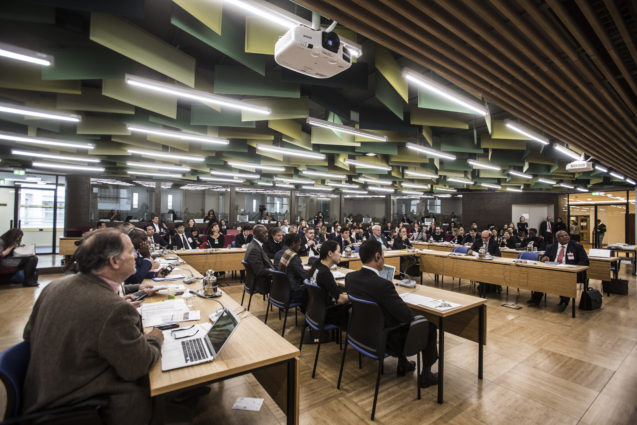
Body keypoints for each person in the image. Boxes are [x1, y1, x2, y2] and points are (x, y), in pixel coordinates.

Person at [22, 228, 163, 425]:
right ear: (114, 261)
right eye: (131, 252)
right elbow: (138, 365)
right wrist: (156, 336)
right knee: (166, 392)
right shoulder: (114, 309)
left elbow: (28, 335)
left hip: (40, 390)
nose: (135, 256)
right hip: (84, 405)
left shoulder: (53, 287)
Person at [345, 240, 438, 387]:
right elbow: (407, 317)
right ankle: (426, 374)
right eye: (383, 256)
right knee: (429, 326)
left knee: (391, 316)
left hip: (362, 334)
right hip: (386, 340)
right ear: (377, 257)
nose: (384, 259)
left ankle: (403, 363)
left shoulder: (350, 278)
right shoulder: (383, 285)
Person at [528, 230, 589, 311]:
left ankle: (564, 301)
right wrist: (544, 258)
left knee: (565, 278)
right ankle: (536, 299)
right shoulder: (551, 246)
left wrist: (575, 267)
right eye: (562, 236)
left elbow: (585, 261)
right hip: (553, 269)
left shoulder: (577, 247)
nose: (566, 237)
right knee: (540, 275)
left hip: (570, 271)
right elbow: (544, 256)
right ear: (557, 238)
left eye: (567, 235)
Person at [309, 240, 350, 328]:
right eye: (339, 252)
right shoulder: (325, 273)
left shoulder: (317, 265)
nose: (341, 255)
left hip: (315, 311)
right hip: (327, 314)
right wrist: (352, 296)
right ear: (330, 253)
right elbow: (340, 300)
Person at [273, 232, 307, 307]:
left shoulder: (278, 253)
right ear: (293, 244)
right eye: (299, 244)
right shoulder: (293, 257)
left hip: (277, 291)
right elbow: (304, 276)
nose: (300, 246)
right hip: (290, 293)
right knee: (313, 289)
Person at [243, 224, 273, 294]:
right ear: (255, 235)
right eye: (264, 233)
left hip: (257, 279)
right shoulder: (254, 249)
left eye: (267, 232)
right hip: (260, 283)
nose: (267, 235)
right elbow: (260, 271)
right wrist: (274, 271)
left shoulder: (255, 244)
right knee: (288, 282)